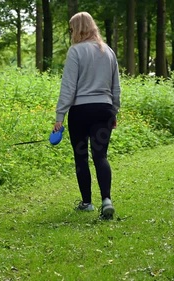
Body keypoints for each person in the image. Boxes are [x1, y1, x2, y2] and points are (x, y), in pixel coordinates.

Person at [53, 11, 121, 220]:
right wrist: (114, 110)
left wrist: (59, 116)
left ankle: (87, 203)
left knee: (81, 157)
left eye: (72, 28)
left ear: (78, 28)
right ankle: (106, 200)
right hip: (104, 110)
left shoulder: (76, 51)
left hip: (81, 112)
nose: (71, 32)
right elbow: (116, 87)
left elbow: (68, 87)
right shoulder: (108, 51)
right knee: (100, 156)